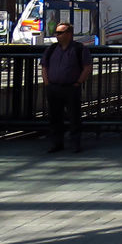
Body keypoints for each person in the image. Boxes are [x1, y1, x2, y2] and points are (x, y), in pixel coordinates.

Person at [40, 22, 93, 153]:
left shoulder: (79, 49)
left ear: (69, 34)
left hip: (71, 88)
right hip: (54, 88)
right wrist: (47, 83)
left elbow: (87, 67)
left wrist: (78, 82)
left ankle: (75, 143)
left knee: (74, 116)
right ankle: (56, 143)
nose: (56, 35)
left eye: (60, 33)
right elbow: (44, 66)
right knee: (55, 117)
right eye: (56, 33)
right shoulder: (51, 49)